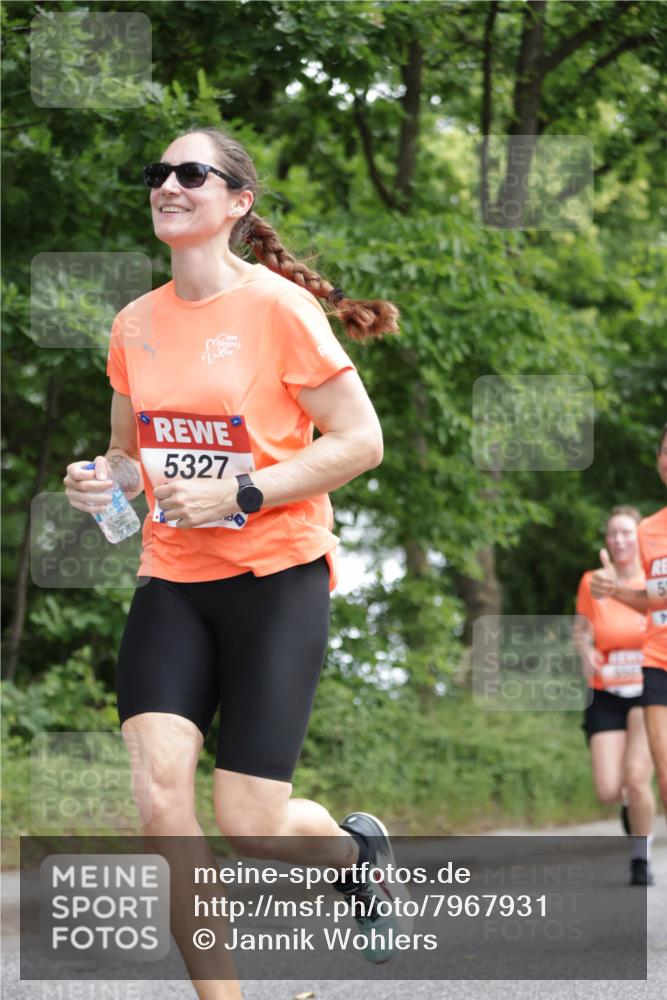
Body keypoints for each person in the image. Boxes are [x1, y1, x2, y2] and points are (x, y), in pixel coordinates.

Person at [63, 125, 410, 999]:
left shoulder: (277, 311)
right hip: (172, 581)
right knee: (159, 804)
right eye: (159, 173)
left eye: (192, 173)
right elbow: (127, 459)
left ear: (238, 201)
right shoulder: (134, 323)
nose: (168, 185)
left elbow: (361, 441)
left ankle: (352, 853)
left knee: (251, 823)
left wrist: (243, 492)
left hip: (276, 578)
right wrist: (98, 481)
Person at [590, 425, 667, 830]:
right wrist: (614, 590)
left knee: (646, 778)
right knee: (648, 784)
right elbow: (653, 601)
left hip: (648, 675)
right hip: (641, 673)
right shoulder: (649, 533)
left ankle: (641, 850)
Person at [575, 506, 655, 885]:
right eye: (613, 534)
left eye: (627, 532)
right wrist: (585, 650)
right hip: (606, 692)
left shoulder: (654, 581)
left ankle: (641, 859)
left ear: (639, 535)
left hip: (648, 690)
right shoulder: (592, 581)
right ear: (606, 540)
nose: (620, 540)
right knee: (610, 789)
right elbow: (581, 630)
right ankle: (628, 805)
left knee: (637, 777)